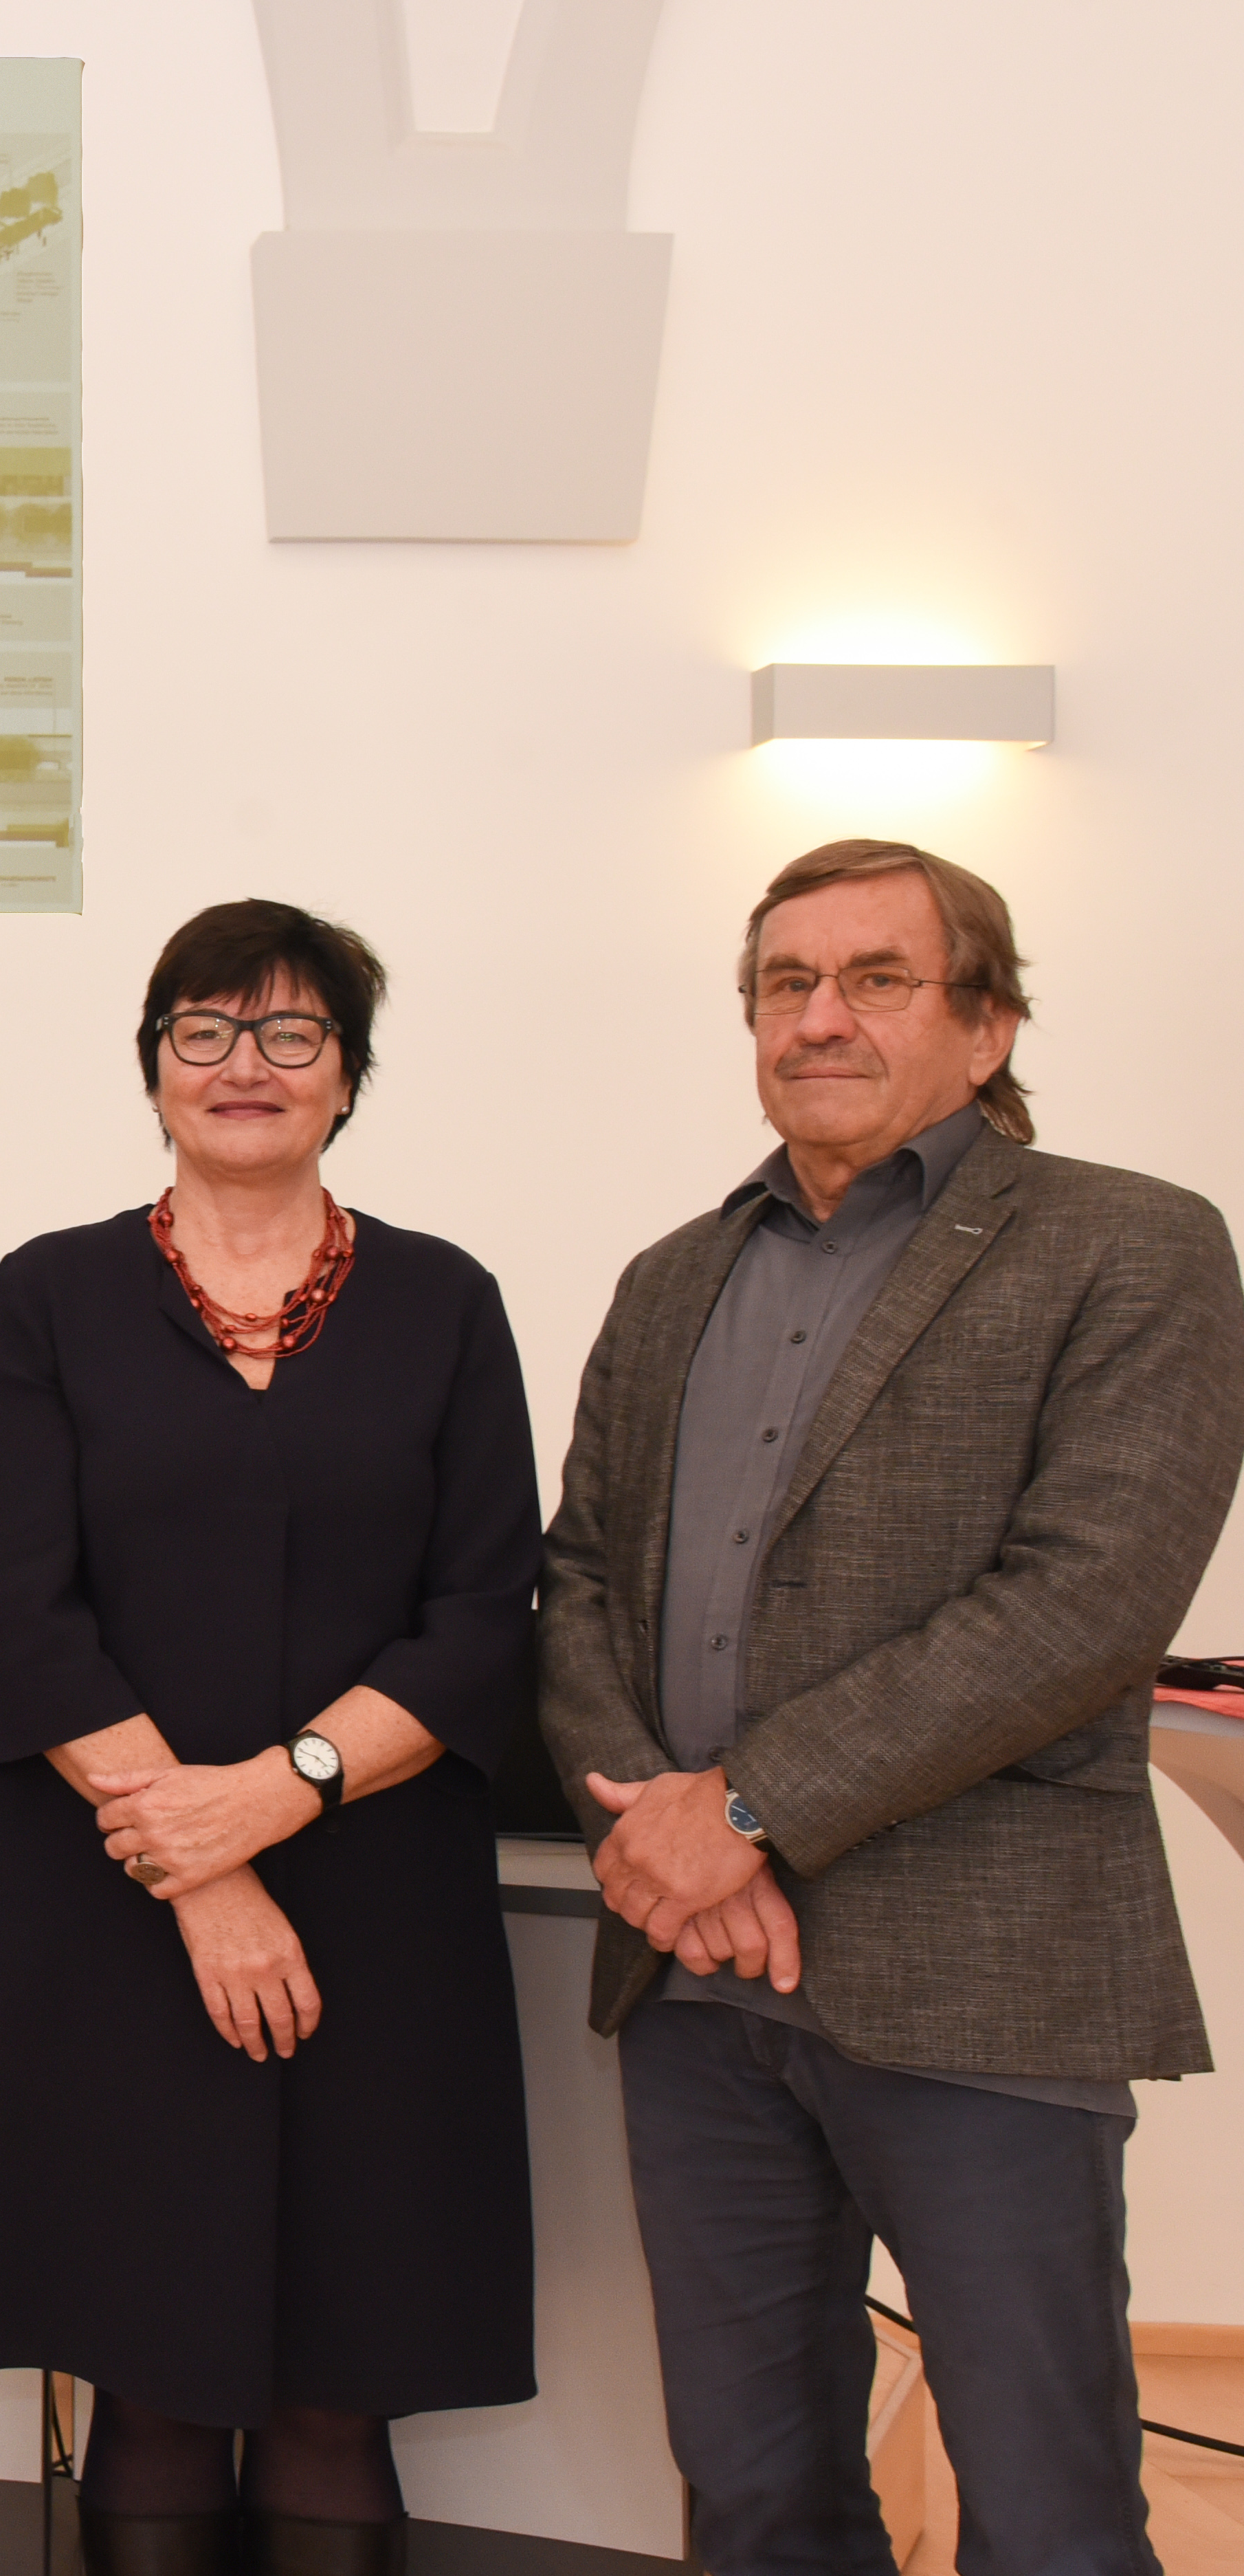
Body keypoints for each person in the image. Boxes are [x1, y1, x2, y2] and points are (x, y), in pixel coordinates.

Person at [539, 838, 1244, 2576]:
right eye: (786, 983)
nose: (821, 1017)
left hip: (981, 1973)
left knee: (1048, 2508)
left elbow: (1081, 1606)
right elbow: (578, 1591)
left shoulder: (1131, 1245)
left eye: (877, 978)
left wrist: (746, 1807)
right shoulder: (669, 1279)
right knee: (759, 2488)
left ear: (988, 1024)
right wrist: (666, 1841)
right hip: (701, 1980)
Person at [0, 900, 539, 2575]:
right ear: (151, 1069)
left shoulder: (444, 1300)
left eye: (291, 1033)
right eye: (202, 1029)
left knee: (347, 2380)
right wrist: (200, 1871)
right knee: (152, 2375)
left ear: (348, 1076)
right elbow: (22, 1605)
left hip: (381, 1901)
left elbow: (484, 1608)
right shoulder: (50, 1297)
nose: (244, 1065)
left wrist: (278, 1797)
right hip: (116, 1899)